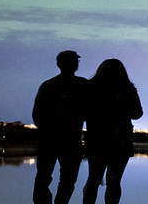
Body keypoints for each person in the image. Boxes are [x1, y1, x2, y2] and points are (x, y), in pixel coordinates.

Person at [82, 58, 143, 204]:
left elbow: (83, 113)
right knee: (114, 181)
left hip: (96, 140)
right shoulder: (127, 89)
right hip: (121, 141)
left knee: (94, 179)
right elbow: (137, 113)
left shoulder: (91, 88)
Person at [33, 50, 90, 204]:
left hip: (52, 140)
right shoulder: (82, 85)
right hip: (67, 140)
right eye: (72, 61)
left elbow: (37, 116)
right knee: (64, 180)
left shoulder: (48, 85)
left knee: (47, 178)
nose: (75, 64)